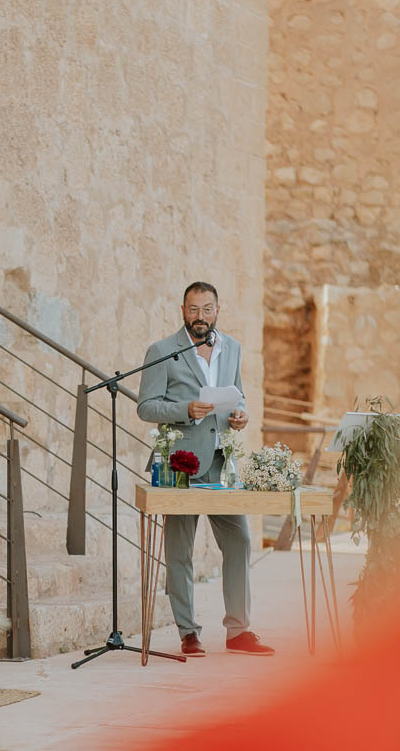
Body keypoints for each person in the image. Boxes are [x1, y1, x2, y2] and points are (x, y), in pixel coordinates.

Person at [136, 281, 272, 657]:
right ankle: (188, 631)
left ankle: (238, 631)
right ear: (183, 310)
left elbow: (237, 394)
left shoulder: (232, 348)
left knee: (240, 541)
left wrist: (240, 416)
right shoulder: (162, 351)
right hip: (179, 465)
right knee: (180, 551)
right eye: (194, 309)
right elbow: (146, 406)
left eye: (207, 309)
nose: (201, 317)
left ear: (218, 310)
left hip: (221, 464)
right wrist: (185, 410)